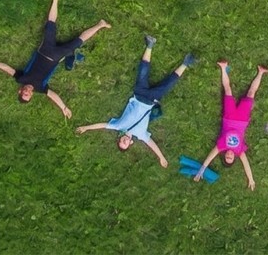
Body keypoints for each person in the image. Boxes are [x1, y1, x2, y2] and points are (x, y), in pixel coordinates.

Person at [0, 0, 111, 118]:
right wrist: (64, 108)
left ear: (20, 91)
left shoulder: (21, 79)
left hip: (45, 50)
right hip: (56, 57)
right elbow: (53, 96)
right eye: (28, 95)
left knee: (50, 26)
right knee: (79, 41)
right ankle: (100, 25)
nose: (27, 92)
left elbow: (8, 69)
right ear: (31, 95)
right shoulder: (40, 88)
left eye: (24, 93)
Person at [75, 36, 195, 166]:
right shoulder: (141, 135)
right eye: (126, 144)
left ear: (119, 138)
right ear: (130, 143)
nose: (124, 142)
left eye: (121, 142)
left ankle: (150, 45)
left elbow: (102, 125)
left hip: (139, 94)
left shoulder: (118, 126)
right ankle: (186, 63)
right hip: (151, 100)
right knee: (169, 83)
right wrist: (161, 157)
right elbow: (151, 144)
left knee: (143, 71)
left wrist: (86, 128)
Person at [194, 60, 268, 189]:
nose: (229, 155)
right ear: (234, 158)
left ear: (224, 155)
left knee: (228, 91)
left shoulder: (221, 146)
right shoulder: (239, 151)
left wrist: (201, 171)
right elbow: (246, 165)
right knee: (251, 93)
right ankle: (261, 72)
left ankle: (223, 67)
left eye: (226, 157)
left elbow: (209, 158)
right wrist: (251, 179)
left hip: (229, 117)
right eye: (230, 158)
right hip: (242, 119)